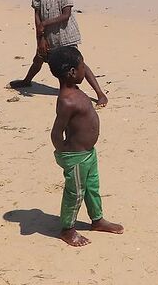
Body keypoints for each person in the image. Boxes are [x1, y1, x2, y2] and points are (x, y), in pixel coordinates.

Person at [48, 46, 123, 246]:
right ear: (72, 72)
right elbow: (56, 131)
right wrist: (64, 154)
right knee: (75, 192)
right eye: (82, 66)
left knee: (91, 187)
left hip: (88, 153)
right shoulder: (67, 101)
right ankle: (67, 229)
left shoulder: (76, 90)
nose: (85, 70)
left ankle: (97, 219)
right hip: (76, 156)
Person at [9, 0, 108, 107]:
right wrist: (40, 38)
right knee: (38, 59)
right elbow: (37, 16)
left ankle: (100, 93)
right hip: (48, 38)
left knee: (80, 63)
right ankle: (27, 81)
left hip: (65, 36)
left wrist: (45, 23)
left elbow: (65, 15)